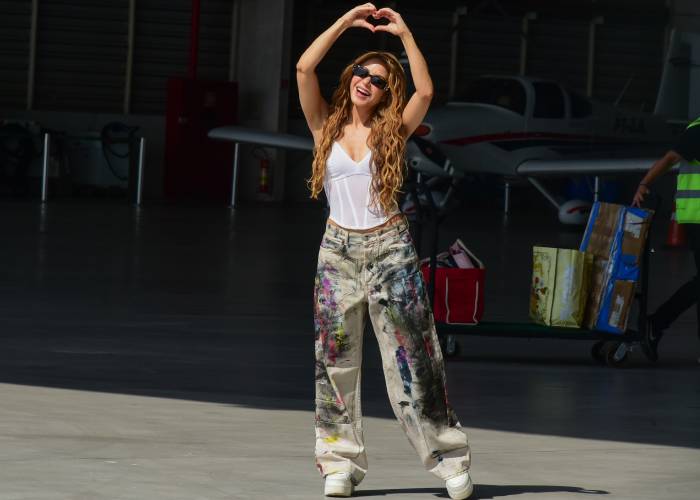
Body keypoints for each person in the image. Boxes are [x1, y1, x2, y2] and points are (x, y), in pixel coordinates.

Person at [296, 4, 472, 499]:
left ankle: (448, 459)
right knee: (334, 361)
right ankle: (339, 463)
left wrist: (405, 33)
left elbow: (426, 92)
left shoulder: (392, 132)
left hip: (390, 250)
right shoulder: (324, 125)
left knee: (415, 358)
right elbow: (304, 68)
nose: (365, 82)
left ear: (386, 92)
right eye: (360, 72)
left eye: (377, 80)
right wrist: (345, 22)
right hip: (337, 253)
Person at [633, 116, 700, 362]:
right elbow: (670, 158)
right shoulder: (698, 130)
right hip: (697, 216)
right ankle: (656, 323)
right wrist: (645, 184)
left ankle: (657, 323)